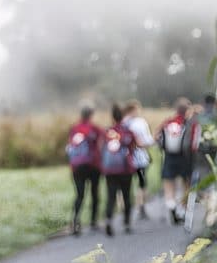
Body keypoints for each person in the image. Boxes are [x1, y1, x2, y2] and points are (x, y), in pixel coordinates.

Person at [156, 97, 201, 224]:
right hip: (184, 157)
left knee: (169, 184)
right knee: (186, 184)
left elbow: (157, 137)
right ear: (187, 110)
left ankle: (171, 206)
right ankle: (183, 210)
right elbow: (194, 143)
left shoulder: (167, 122)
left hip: (169, 156)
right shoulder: (189, 124)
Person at [66, 102, 103, 236]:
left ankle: (75, 221)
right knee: (94, 193)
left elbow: (70, 147)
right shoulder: (95, 129)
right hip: (93, 165)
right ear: (91, 115)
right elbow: (100, 147)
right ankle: (93, 221)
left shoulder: (74, 129)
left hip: (77, 167)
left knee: (80, 195)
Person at [101, 104, 137, 236]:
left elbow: (102, 149)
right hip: (125, 169)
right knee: (126, 196)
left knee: (111, 197)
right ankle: (127, 223)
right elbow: (133, 147)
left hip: (110, 169)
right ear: (122, 116)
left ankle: (109, 221)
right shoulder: (127, 131)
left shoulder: (107, 132)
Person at [122, 99, 155, 219]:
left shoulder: (122, 123)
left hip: (125, 159)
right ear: (134, 110)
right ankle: (141, 207)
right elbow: (147, 140)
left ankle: (125, 207)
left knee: (127, 184)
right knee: (142, 183)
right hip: (139, 158)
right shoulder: (140, 123)